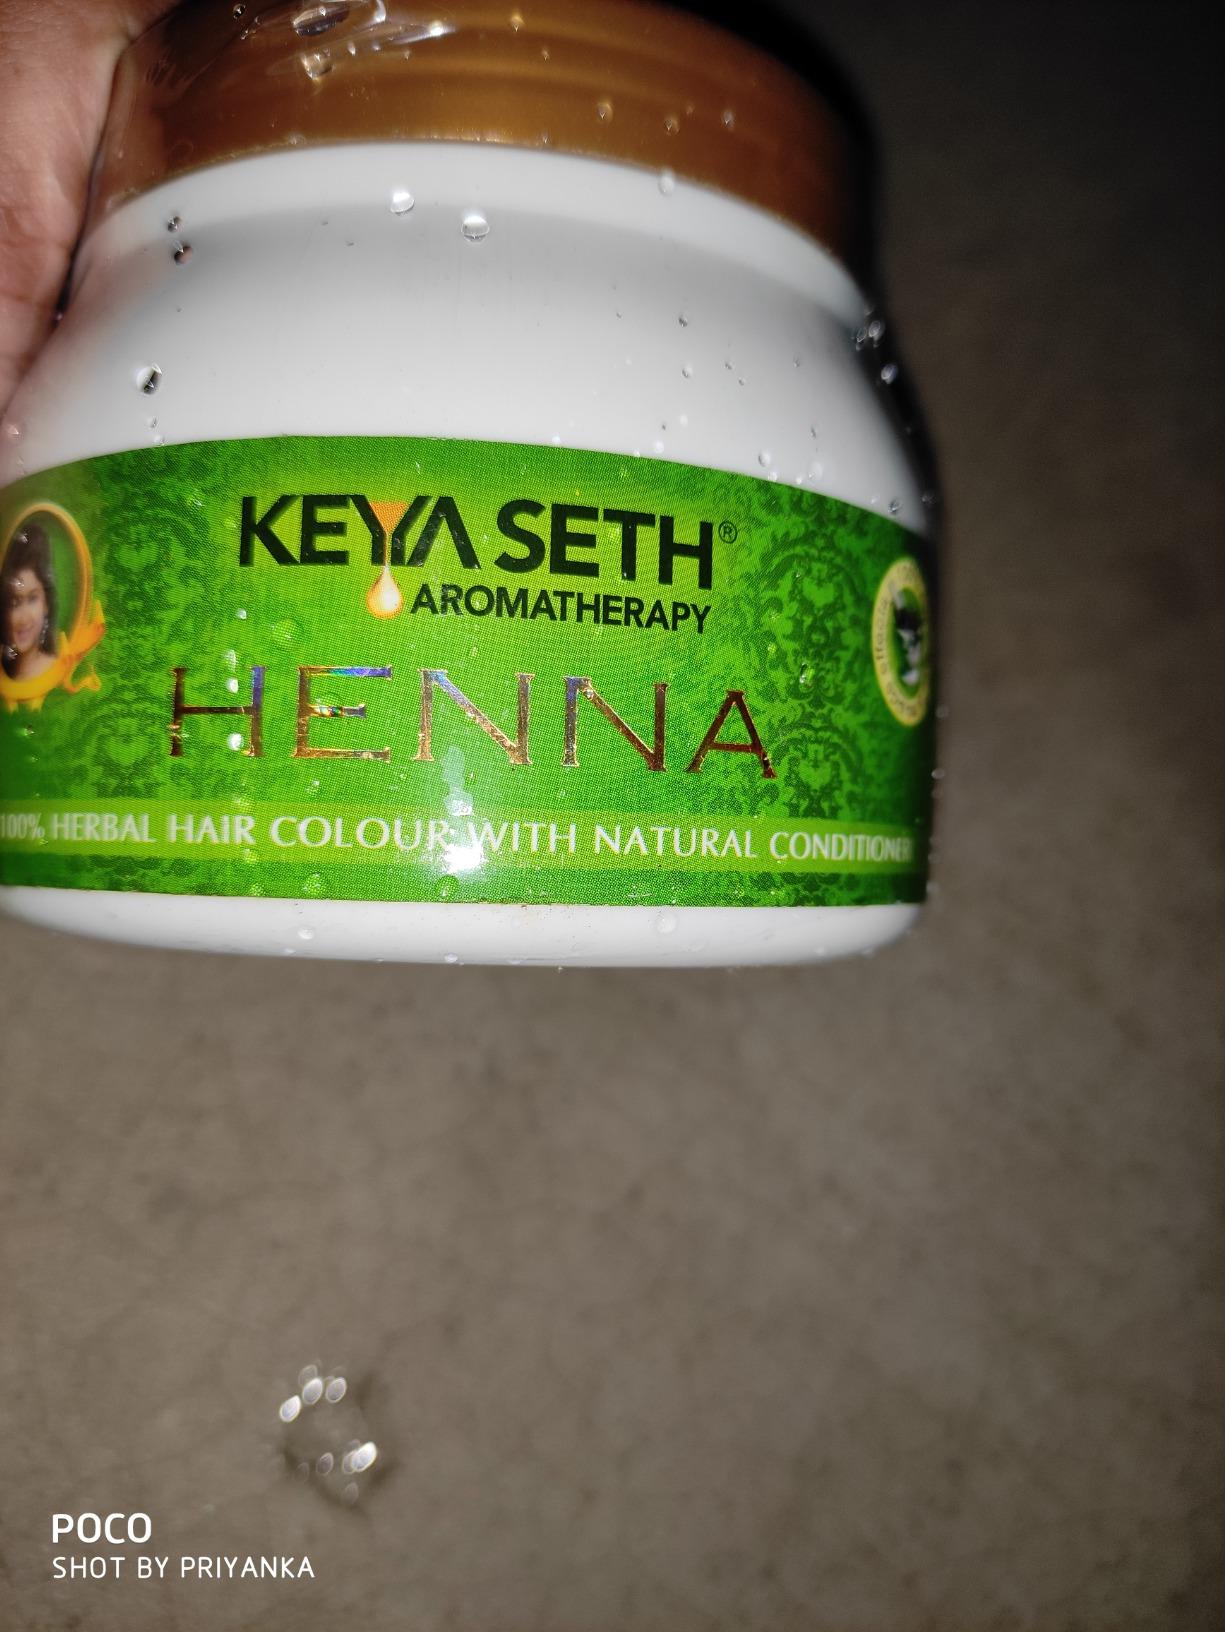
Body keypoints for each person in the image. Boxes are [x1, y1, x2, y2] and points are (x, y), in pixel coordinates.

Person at [1, 523, 58, 679]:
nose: (24, 618)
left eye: (32, 598)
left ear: (46, 604)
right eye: (15, 603)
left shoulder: (59, 672)